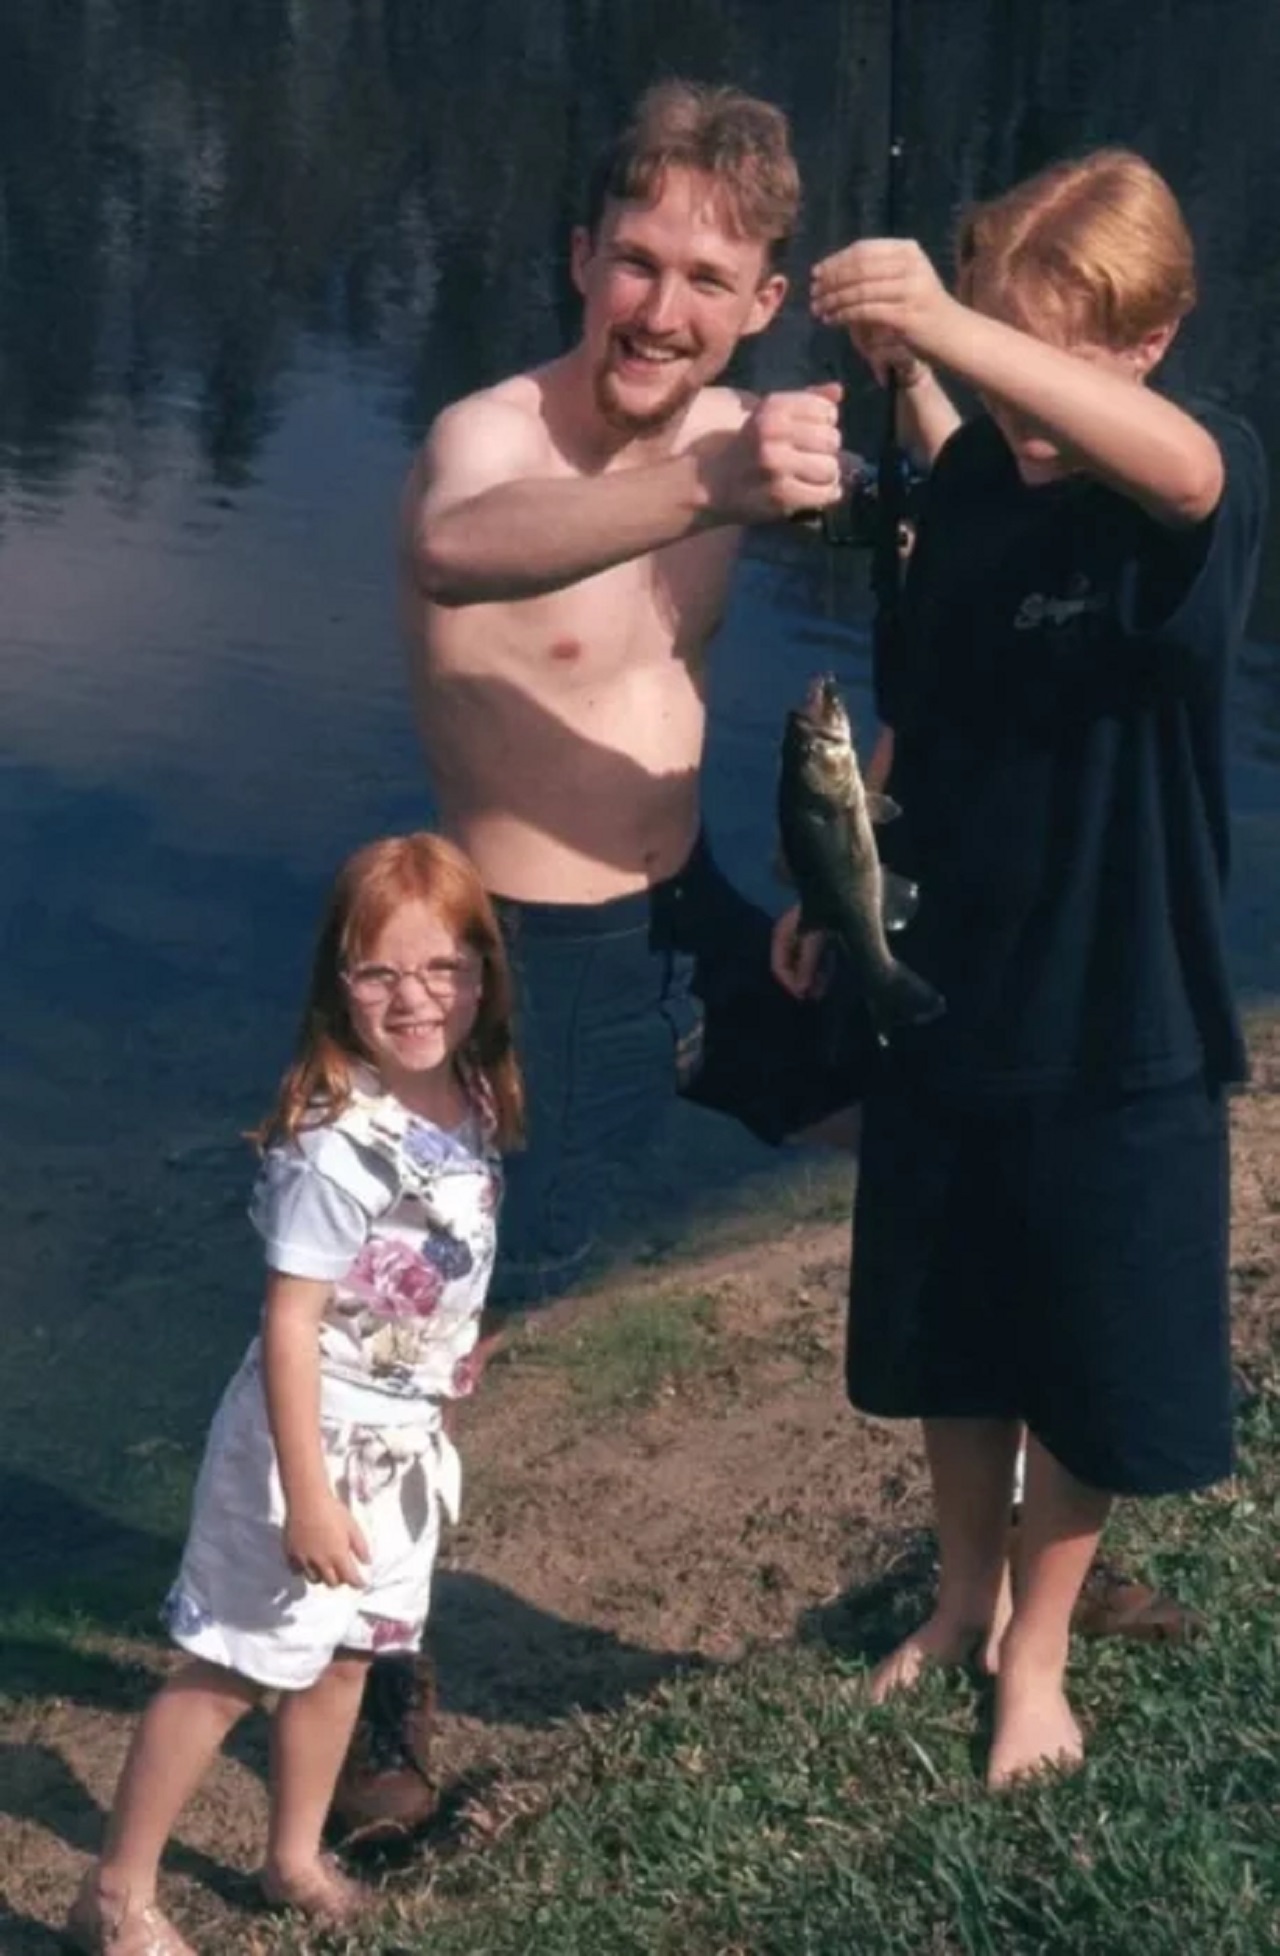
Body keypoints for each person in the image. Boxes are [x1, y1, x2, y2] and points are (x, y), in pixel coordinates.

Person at [786, 149, 1267, 1786]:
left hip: (1121, 1002)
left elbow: (1191, 469)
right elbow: (932, 694)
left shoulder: (1191, 488)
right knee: (957, 1326)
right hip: (949, 982)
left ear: (1156, 333)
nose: (1029, 404)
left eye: (1063, 358)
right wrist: (842, 859)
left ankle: (1042, 1654)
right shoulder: (976, 479)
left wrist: (956, 334)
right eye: (1007, 350)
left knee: (1085, 1345)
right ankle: (965, 1598)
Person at [400, 79, 939, 1302]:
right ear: (581, 259)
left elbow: (960, 534)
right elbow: (456, 549)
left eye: (706, 280)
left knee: (919, 1114)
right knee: (490, 1300)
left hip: (693, 912)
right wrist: (712, 488)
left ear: (759, 305)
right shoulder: (486, 437)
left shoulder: (748, 432)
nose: (658, 312)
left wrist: (915, 372)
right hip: (529, 948)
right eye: (635, 264)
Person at [65, 833, 522, 1954]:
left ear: (481, 976)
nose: (413, 997)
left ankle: (292, 1854)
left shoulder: (469, 1097)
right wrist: (307, 1498)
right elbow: (288, 1324)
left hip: (401, 1441)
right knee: (229, 1664)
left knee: (350, 1653)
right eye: (378, 973)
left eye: (441, 968)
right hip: (305, 1446)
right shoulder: (331, 1149)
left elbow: (440, 1256)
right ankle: (115, 1896)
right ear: (338, 984)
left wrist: (451, 1357)